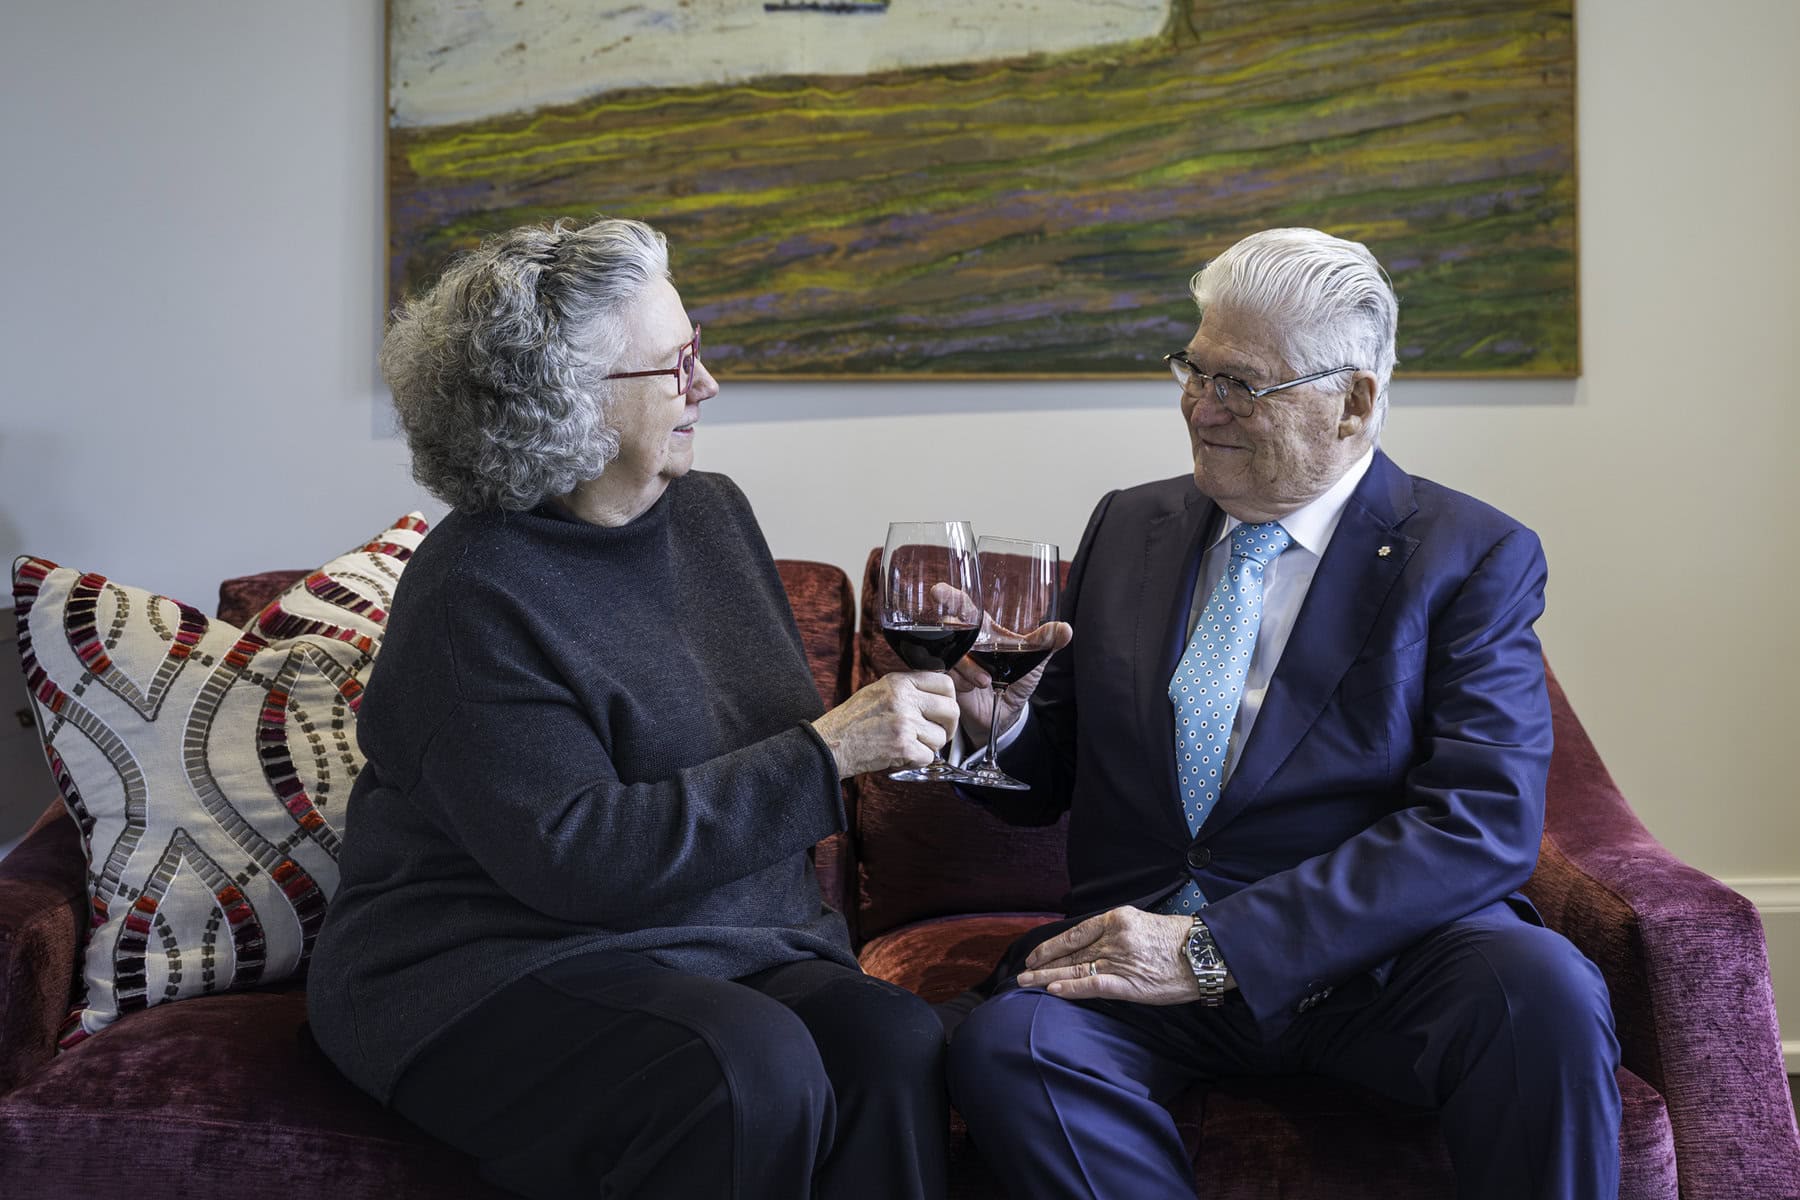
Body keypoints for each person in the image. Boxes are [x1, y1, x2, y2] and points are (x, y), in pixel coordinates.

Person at [944, 228, 1621, 1199]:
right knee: (1016, 1043)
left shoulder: (1469, 554)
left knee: (1541, 990)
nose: (1199, 405)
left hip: (1379, 966)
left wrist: (1221, 948)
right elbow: (1050, 771)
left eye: (1241, 385)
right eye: (1194, 367)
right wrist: (994, 726)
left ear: (1354, 401)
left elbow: (1483, 821)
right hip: (1141, 954)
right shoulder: (1129, 524)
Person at [307, 217, 956, 1200]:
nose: (709, 386)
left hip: (719, 942)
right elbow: (576, 857)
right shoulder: (473, 591)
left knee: (893, 1037)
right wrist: (826, 755)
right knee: (746, 1070)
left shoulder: (710, 514)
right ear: (562, 403)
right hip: (486, 964)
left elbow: (752, 750)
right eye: (677, 365)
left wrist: (966, 712)